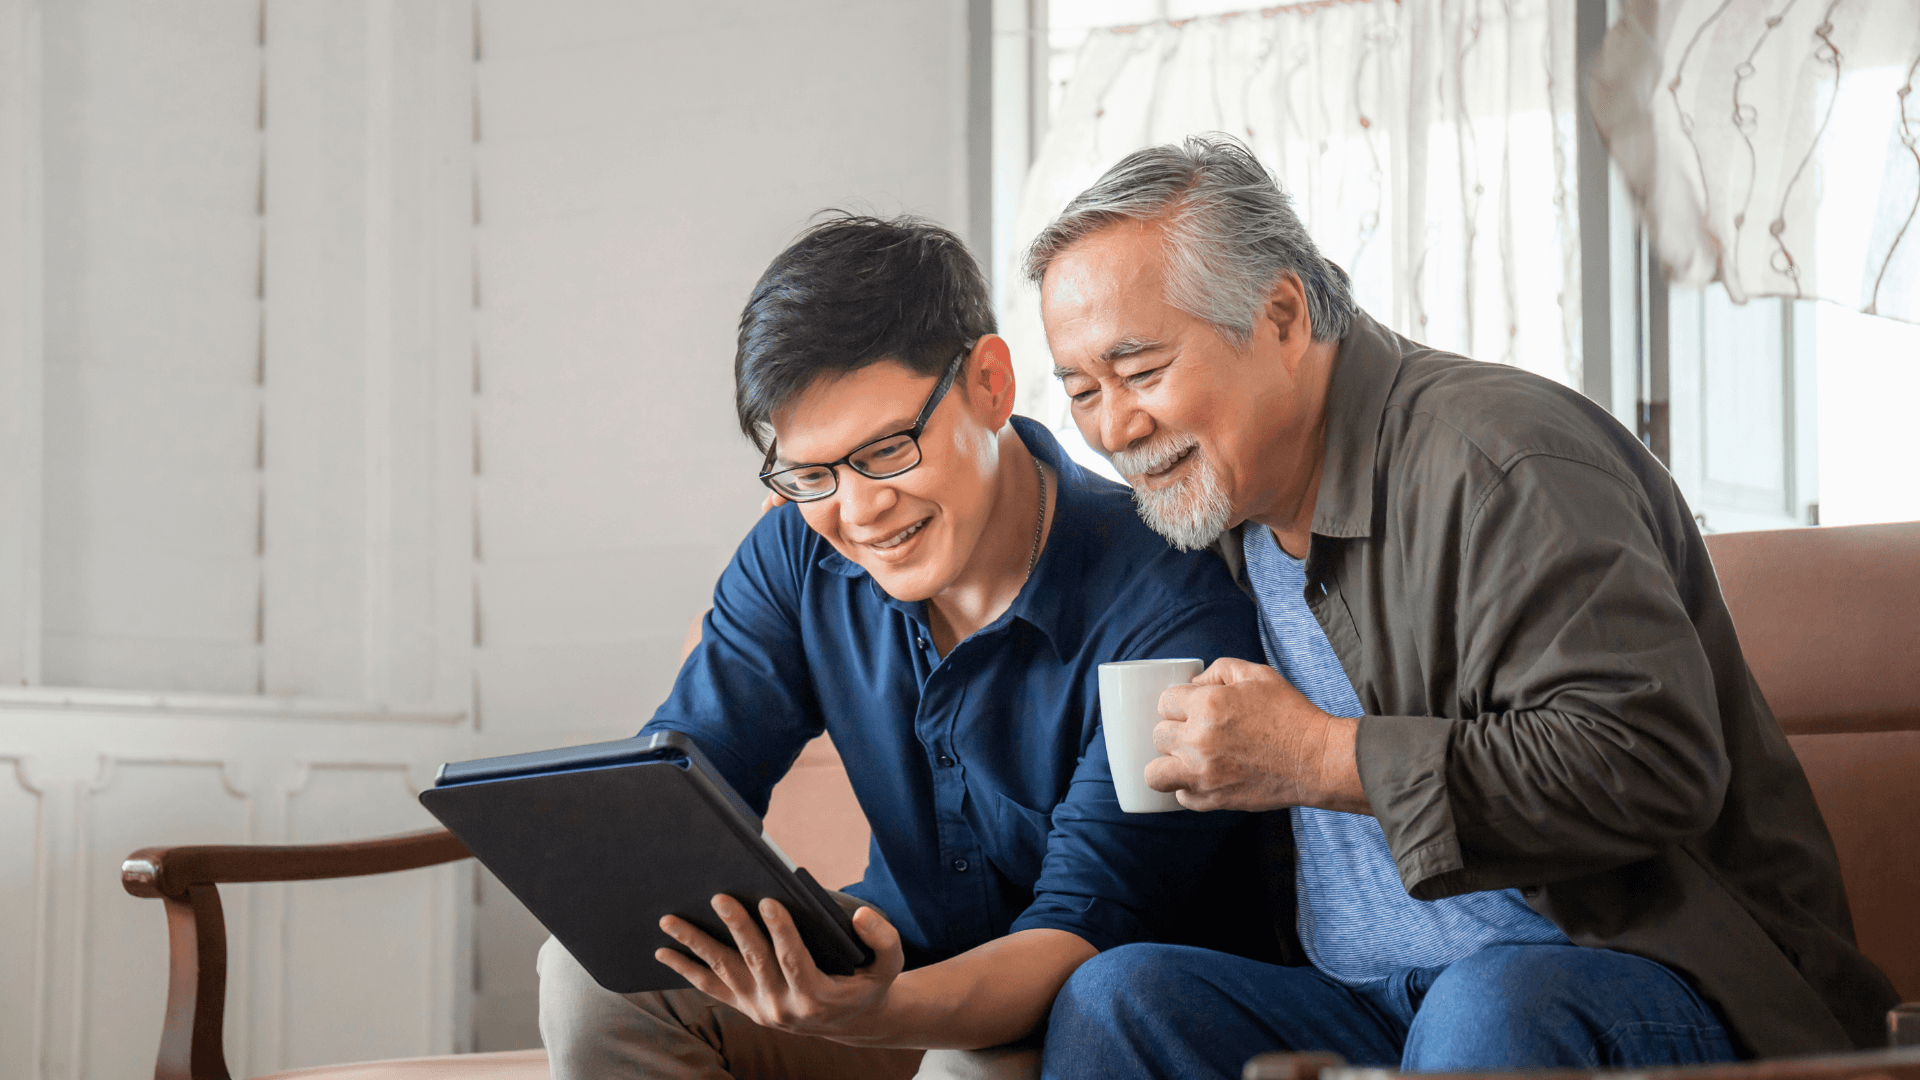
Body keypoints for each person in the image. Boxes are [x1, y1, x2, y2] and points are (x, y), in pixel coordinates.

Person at [1024, 135, 1899, 1079]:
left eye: (1141, 372)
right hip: (1370, 1005)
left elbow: (1648, 760)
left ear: (1281, 316)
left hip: (1637, 985)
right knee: (1116, 1001)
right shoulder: (1214, 513)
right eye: (1082, 391)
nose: (1115, 428)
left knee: (1488, 1003)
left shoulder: (1502, 464)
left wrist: (1317, 756)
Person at [536, 214, 1273, 1080]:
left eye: (886, 450)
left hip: (1080, 1013)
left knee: (965, 1066)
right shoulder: (798, 553)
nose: (859, 512)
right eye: (812, 474)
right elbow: (683, 790)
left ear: (990, 384)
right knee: (590, 978)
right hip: (891, 969)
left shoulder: (1169, 604)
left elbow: (1083, 931)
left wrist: (871, 1011)